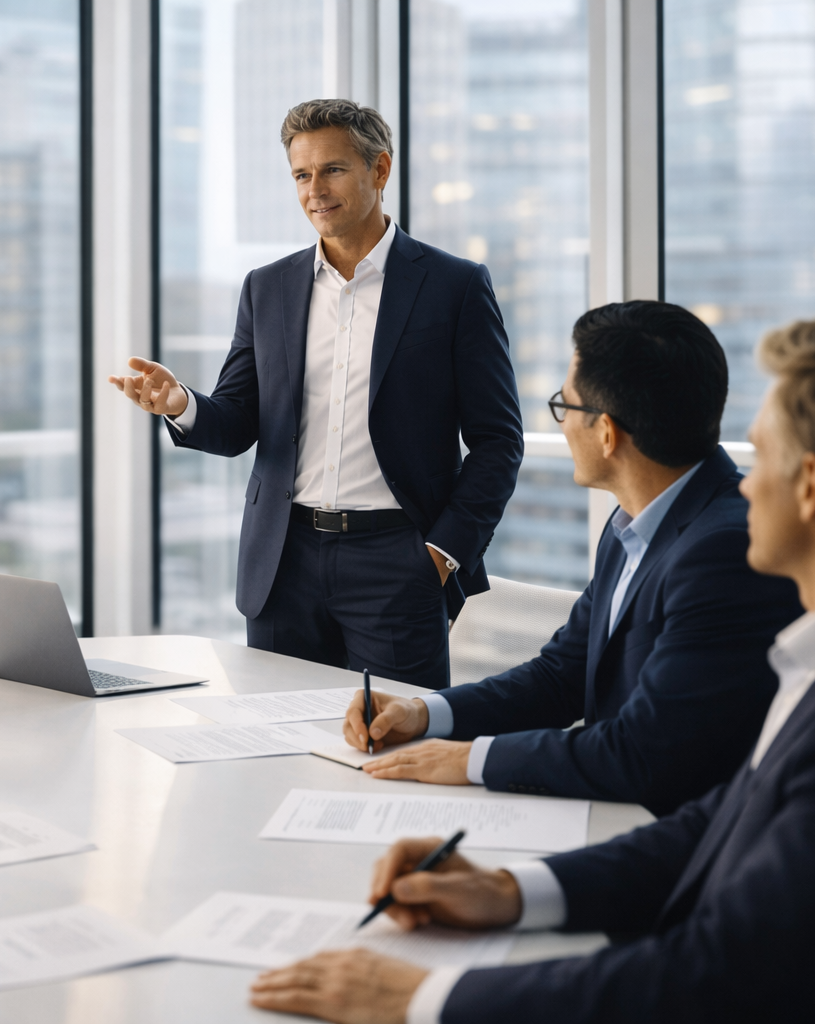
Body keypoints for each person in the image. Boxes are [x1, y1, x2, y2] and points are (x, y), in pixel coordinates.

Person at [250, 316, 815, 1023]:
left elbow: (723, 971)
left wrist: (423, 998)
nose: (747, 485)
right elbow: (724, 819)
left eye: (762, 457)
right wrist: (511, 889)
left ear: (811, 485)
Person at [109, 98, 522, 689]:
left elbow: (498, 442)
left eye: (332, 169)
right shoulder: (267, 287)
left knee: (395, 749)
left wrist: (440, 554)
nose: (314, 190)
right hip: (283, 560)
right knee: (276, 743)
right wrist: (181, 404)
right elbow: (238, 423)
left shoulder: (454, 286)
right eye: (301, 175)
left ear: (379, 171)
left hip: (398, 562)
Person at [342, 301, 804, 815]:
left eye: (566, 405)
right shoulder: (633, 521)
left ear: (607, 433)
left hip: (672, 837)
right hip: (615, 809)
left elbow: (644, 751)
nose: (561, 422)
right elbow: (562, 675)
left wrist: (469, 761)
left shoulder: (723, 552)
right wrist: (424, 712)